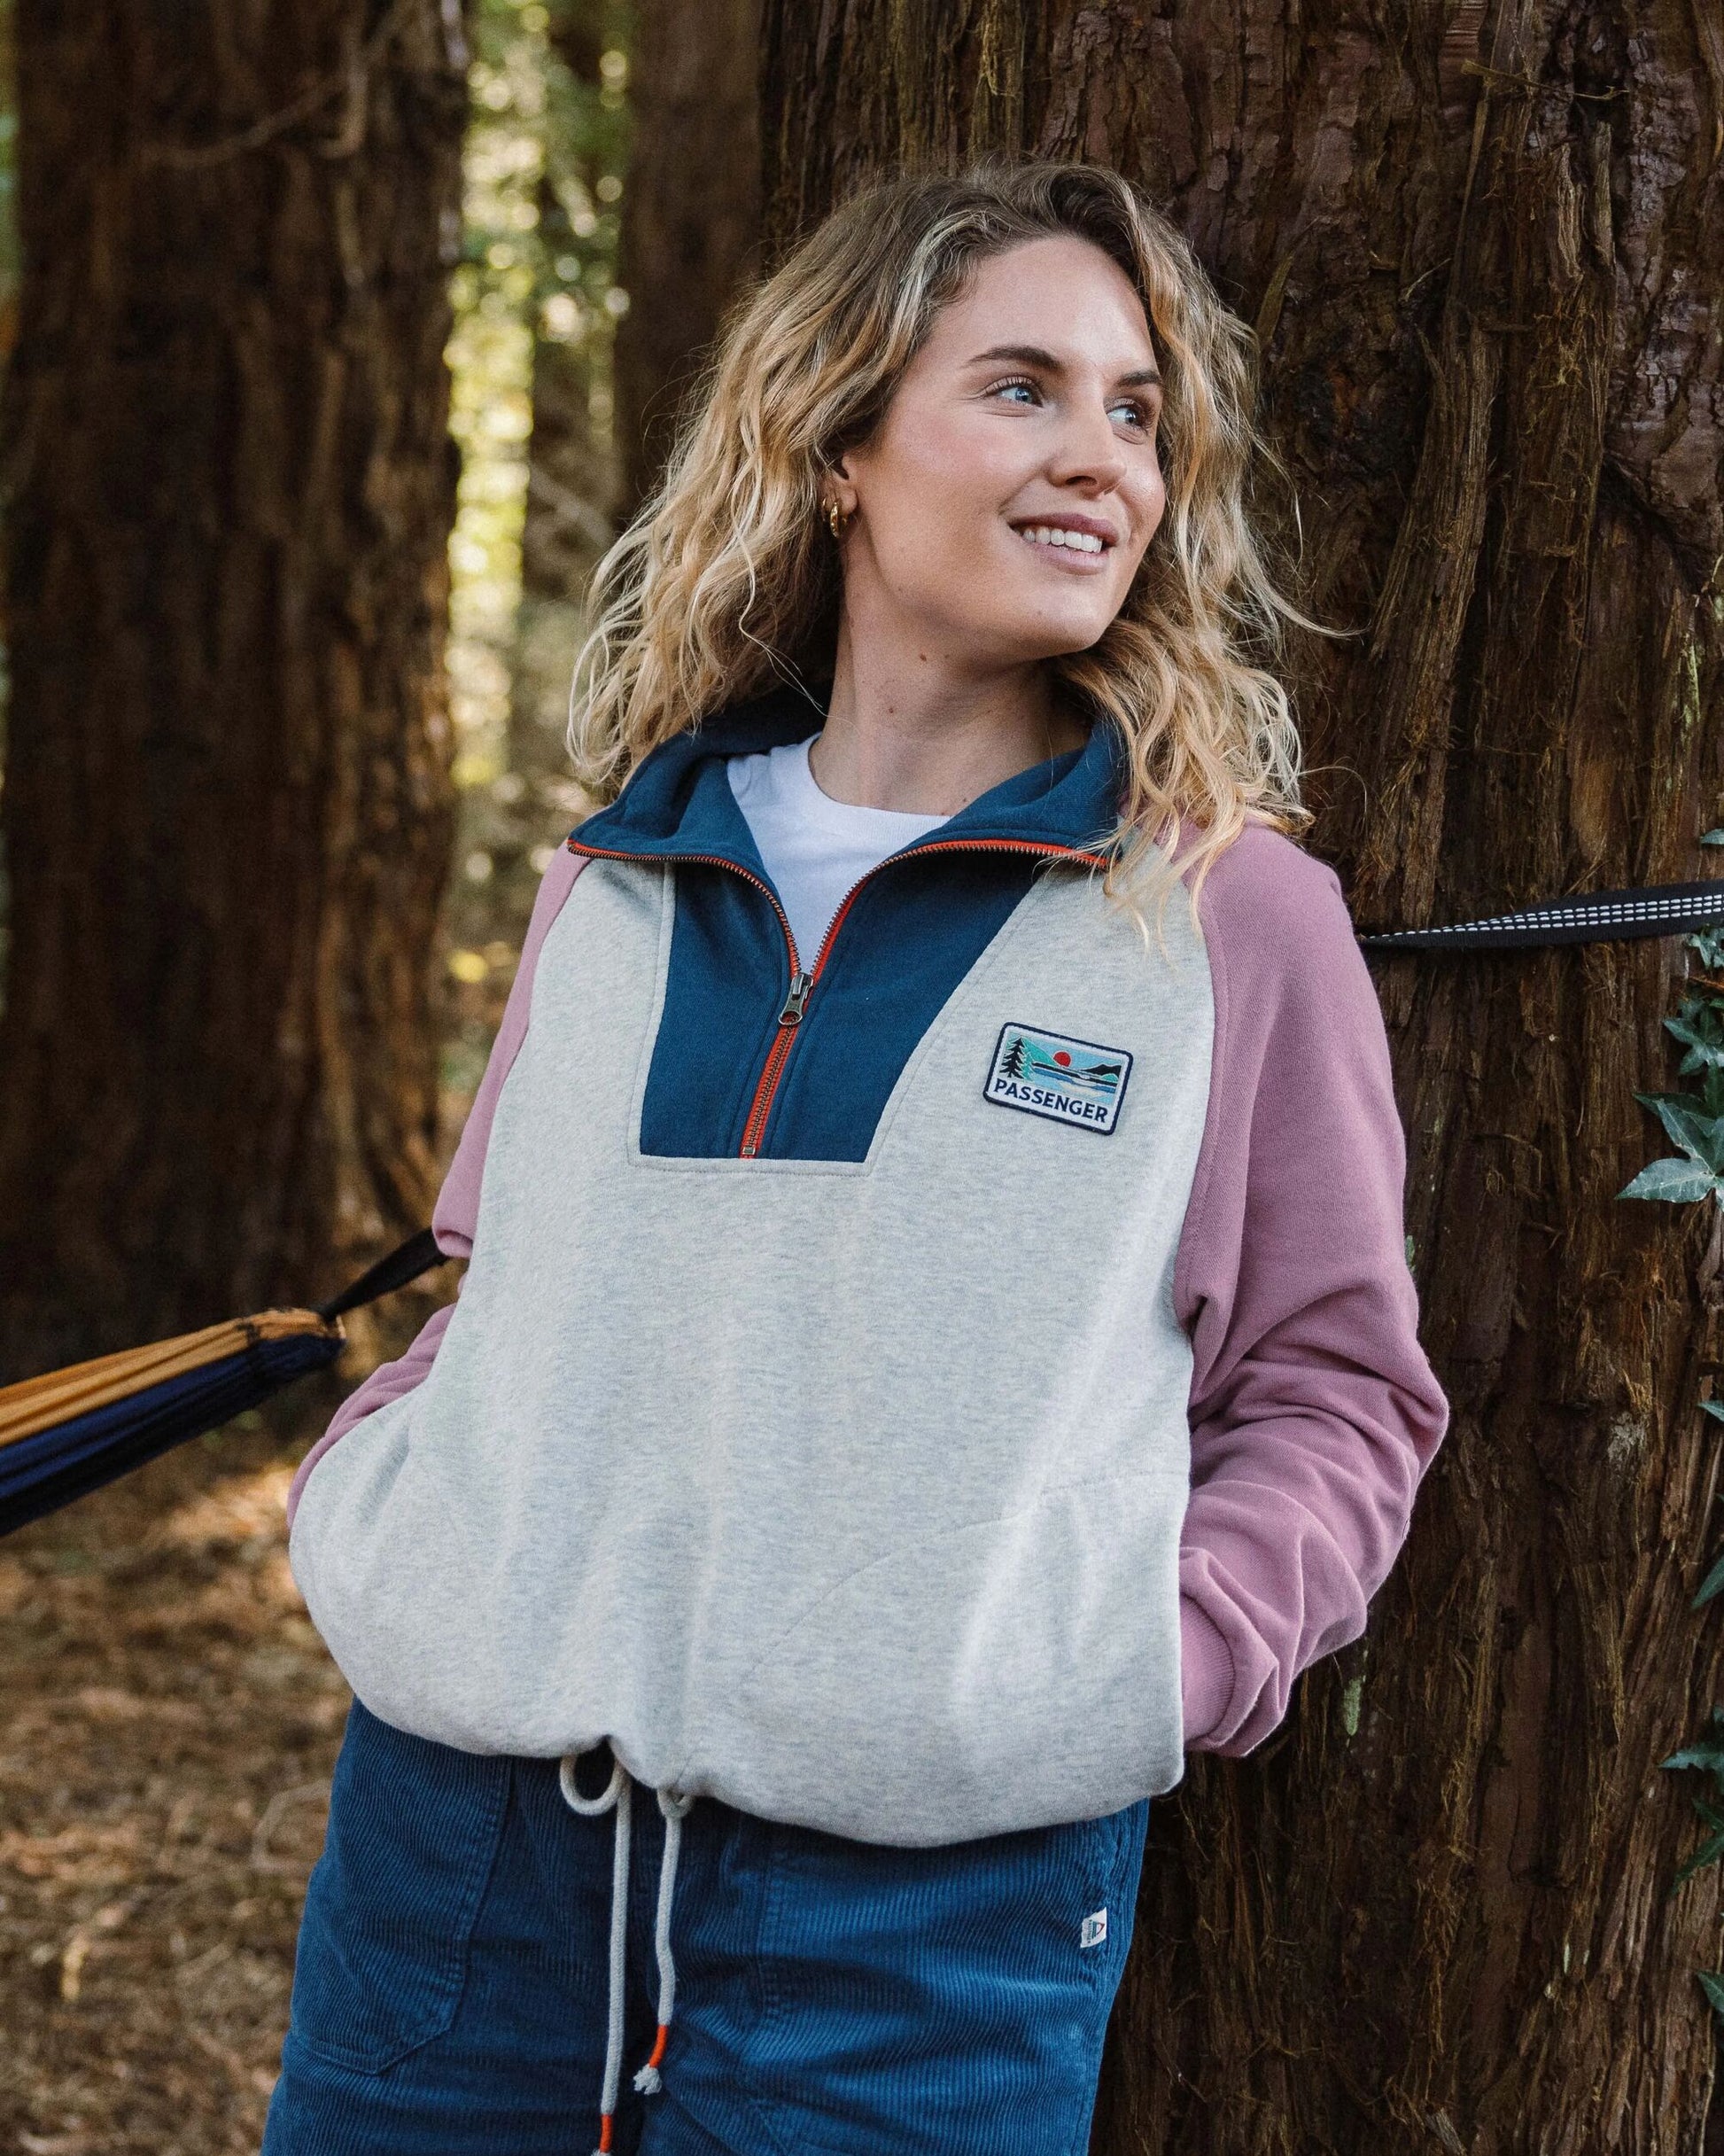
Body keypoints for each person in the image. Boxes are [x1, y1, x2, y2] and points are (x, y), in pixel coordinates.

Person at [264, 160, 1450, 2156]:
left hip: (926, 1920)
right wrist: (380, 1517)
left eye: (1136, 410)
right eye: (1020, 388)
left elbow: (1339, 1393)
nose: (1101, 458)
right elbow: (497, 1299)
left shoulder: (1228, 921)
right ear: (835, 447)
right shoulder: (613, 879)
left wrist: (1127, 1670)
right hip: (462, 1863)